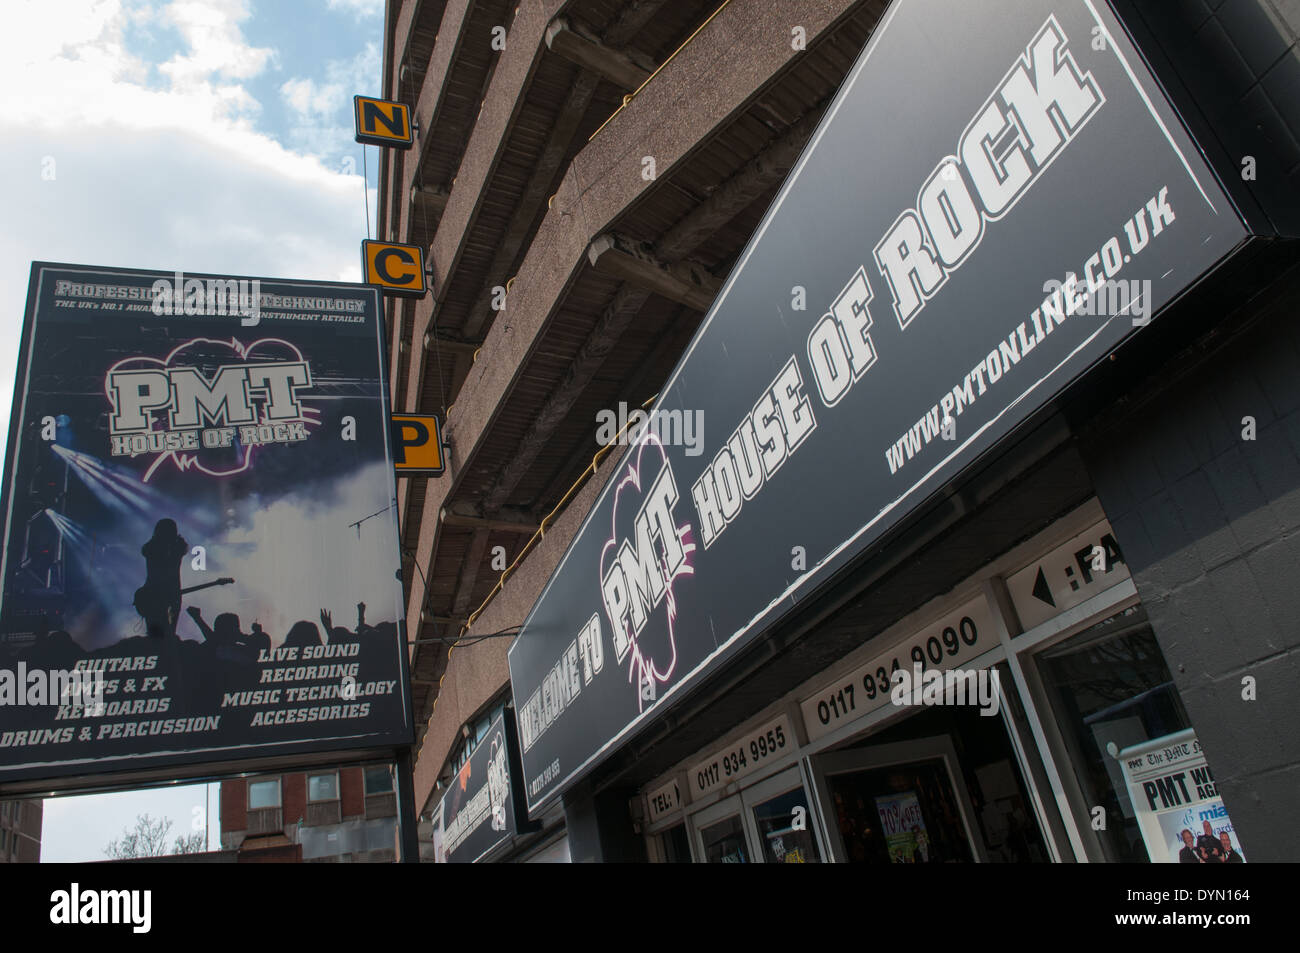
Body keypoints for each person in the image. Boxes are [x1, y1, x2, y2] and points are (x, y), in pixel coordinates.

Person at [136, 519, 188, 638]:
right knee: (164, 630)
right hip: (160, 591)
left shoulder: (157, 547)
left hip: (161, 590)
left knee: (159, 631)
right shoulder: (171, 547)